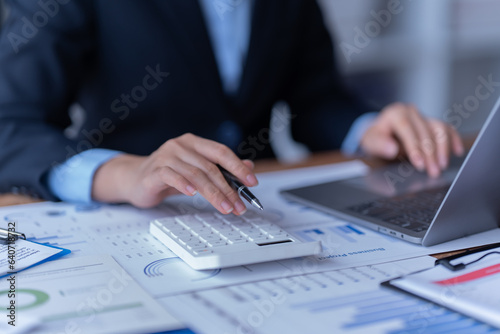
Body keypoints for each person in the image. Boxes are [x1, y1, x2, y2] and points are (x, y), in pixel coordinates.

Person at [0, 0, 463, 216]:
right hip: (137, 213)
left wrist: (367, 127)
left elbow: (316, 99)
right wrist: (124, 174)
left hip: (267, 205)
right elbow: (10, 124)